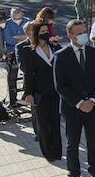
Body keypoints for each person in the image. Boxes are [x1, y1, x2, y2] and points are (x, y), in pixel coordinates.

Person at [54, 19, 95, 177]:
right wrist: (79, 102)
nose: (84, 35)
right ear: (70, 36)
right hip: (72, 109)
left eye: (85, 31)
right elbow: (60, 86)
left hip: (93, 107)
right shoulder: (61, 56)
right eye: (79, 33)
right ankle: (74, 176)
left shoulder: (94, 53)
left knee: (93, 141)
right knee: (72, 144)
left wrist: (93, 101)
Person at [17, 21, 62, 161]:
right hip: (40, 94)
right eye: (41, 32)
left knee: (55, 123)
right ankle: (48, 153)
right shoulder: (28, 50)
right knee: (43, 124)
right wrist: (28, 93)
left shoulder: (55, 47)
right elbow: (28, 74)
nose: (45, 34)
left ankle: (58, 151)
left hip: (55, 93)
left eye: (46, 31)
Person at [4, 7, 27, 107]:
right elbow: (8, 39)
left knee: (28, 75)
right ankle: (13, 100)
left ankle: (26, 97)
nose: (17, 20)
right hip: (11, 54)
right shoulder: (7, 24)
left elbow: (30, 36)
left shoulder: (28, 21)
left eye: (19, 18)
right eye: (15, 18)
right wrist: (23, 38)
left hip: (26, 52)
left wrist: (17, 38)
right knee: (12, 78)